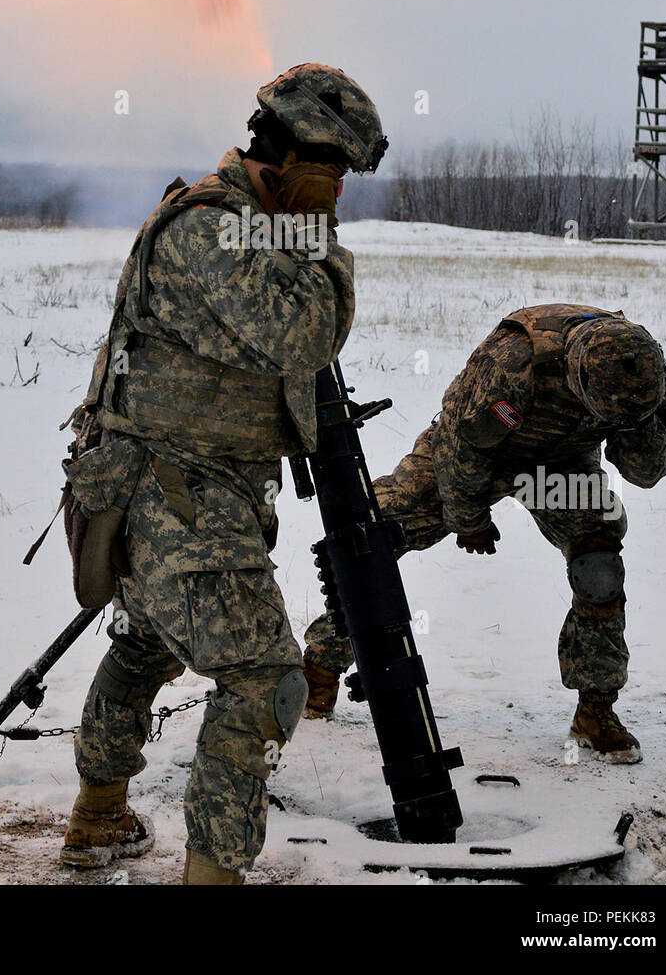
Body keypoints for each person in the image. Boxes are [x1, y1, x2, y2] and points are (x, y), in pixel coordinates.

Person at [60, 63, 387, 882]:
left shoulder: (236, 221)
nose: (339, 192)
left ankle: (98, 817)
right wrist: (321, 242)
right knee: (262, 681)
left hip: (158, 492)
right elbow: (303, 334)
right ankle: (213, 875)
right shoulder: (217, 229)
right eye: (334, 171)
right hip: (174, 496)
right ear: (297, 155)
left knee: (144, 645)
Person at [303, 304, 666, 763]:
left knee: (598, 567)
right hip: (471, 454)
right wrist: (470, 521)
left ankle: (595, 711)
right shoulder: (515, 363)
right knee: (372, 538)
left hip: (559, 468)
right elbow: (461, 452)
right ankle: (320, 665)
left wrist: (635, 427)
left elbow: (647, 472)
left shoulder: (643, 373)